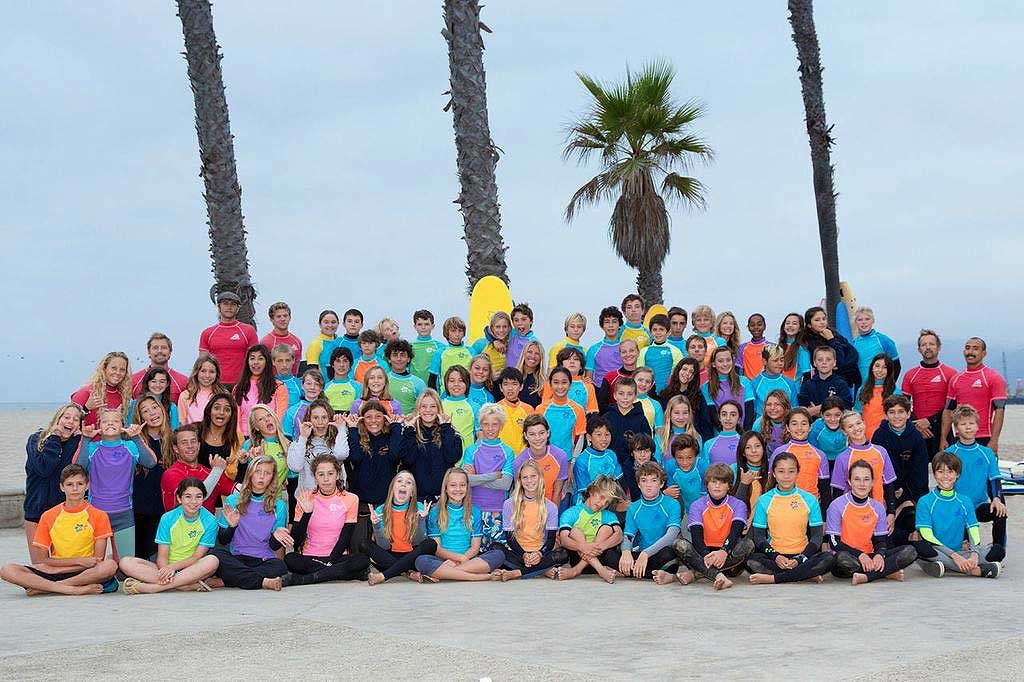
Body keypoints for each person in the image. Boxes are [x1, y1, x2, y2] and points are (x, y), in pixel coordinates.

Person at [1, 464, 118, 596]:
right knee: (7, 569)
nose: (75, 489)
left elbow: (97, 559)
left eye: (79, 484)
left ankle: (49, 588)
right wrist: (77, 561)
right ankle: (71, 589)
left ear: (87, 486)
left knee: (109, 566)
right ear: (62, 487)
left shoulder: (99, 515)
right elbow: (42, 560)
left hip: (85, 572)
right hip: (56, 569)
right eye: (69, 484)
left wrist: (80, 565)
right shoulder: (48, 516)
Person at [74, 409, 158, 559]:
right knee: (94, 562)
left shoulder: (130, 446)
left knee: (126, 564)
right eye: (105, 421)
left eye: (115, 421)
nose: (110, 423)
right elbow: (78, 467)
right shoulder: (93, 448)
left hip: (124, 514)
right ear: (99, 426)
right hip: (96, 514)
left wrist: (137, 437)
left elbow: (150, 462)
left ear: (122, 426)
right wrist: (85, 439)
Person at [119, 477, 220, 594]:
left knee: (212, 561)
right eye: (188, 496)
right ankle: (183, 585)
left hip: (192, 568)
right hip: (165, 567)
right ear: (179, 498)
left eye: (198, 497)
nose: (193, 501)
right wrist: (166, 569)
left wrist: (173, 568)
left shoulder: (210, 520)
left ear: (203, 498)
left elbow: (197, 556)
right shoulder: (167, 518)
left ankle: (152, 588)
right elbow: (162, 556)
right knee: (125, 562)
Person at [279, 455, 369, 586]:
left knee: (362, 560)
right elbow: (295, 541)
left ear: (338, 475)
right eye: (321, 474)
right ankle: (341, 574)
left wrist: (330, 561)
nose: (326, 479)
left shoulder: (350, 499)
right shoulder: (305, 497)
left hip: (337, 556)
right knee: (290, 559)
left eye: (330, 473)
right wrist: (307, 513)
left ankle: (306, 579)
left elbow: (346, 537)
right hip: (311, 557)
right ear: (315, 477)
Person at [746, 453, 834, 584]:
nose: (786, 476)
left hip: (802, 556)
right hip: (775, 557)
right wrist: (775, 556)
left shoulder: (810, 499)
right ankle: (805, 574)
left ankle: (774, 578)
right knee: (750, 561)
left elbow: (817, 537)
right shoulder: (764, 500)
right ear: (774, 474)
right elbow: (759, 537)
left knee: (828, 558)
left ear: (798, 473)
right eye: (781, 471)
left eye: (791, 471)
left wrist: (800, 558)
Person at [912, 452, 1003, 578]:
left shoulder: (965, 501)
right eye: (940, 471)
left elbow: (973, 529)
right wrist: (955, 557)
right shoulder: (925, 501)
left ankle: (947, 567)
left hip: (960, 552)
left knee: (998, 550)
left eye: (950, 471)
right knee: (919, 547)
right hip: (938, 550)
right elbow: (927, 535)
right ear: (934, 474)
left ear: (957, 474)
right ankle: (973, 570)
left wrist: (974, 554)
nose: (945, 476)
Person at [826, 461, 917, 584]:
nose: (862, 484)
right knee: (842, 559)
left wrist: (879, 554)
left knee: (910, 551)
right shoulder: (836, 505)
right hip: (848, 557)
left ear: (873, 482)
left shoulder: (878, 507)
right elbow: (834, 543)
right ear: (849, 481)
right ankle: (886, 572)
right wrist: (860, 555)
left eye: (866, 479)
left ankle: (867, 575)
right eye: (857, 479)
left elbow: (880, 540)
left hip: (870, 555)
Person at [211, 455, 290, 590]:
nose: (261, 477)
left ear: (272, 477)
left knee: (280, 567)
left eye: (267, 473)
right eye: (258, 471)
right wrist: (231, 527)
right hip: (237, 558)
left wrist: (276, 536)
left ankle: (228, 581)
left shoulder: (279, 505)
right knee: (215, 556)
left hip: (263, 561)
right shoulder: (232, 500)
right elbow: (223, 541)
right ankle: (262, 582)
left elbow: (274, 546)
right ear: (250, 473)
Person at [414, 468, 505, 582]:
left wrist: (462, 559)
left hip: (470, 560)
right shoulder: (435, 512)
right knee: (421, 561)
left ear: (467, 488)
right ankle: (477, 576)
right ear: (446, 488)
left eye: (462, 485)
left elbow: (475, 548)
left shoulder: (474, 511)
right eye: (453, 485)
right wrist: (459, 558)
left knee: (498, 555)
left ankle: (445, 573)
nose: (458, 489)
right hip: (443, 561)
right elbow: (437, 549)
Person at [675, 463, 753, 590]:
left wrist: (723, 551)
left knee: (748, 544)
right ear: (706, 485)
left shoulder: (738, 505)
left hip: (727, 554)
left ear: (729, 486)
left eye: (722, 482)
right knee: (679, 544)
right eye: (713, 482)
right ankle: (718, 575)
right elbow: (697, 538)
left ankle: (697, 573)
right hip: (703, 554)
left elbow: (735, 533)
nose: (717, 486)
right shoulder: (697, 505)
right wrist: (706, 555)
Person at [943, 405, 1007, 548]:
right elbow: (943, 482)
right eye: (963, 424)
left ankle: (998, 549)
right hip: (957, 507)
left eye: (971, 423)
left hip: (979, 506)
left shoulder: (987, 453)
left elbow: (995, 479)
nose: (968, 427)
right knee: (964, 548)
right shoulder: (950, 453)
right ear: (956, 429)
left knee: (1000, 511)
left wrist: (996, 498)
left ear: (977, 426)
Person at [23, 404, 83, 553]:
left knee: (63, 562)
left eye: (76, 419)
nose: (70, 421)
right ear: (58, 418)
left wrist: (76, 441)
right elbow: (44, 469)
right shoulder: (36, 439)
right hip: (36, 510)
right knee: (40, 565)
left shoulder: (75, 444)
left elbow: (68, 472)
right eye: (66, 417)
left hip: (63, 514)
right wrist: (55, 438)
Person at [870, 395, 929, 545]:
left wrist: (918, 499)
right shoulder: (879, 435)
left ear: (909, 414)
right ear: (886, 414)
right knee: (883, 529)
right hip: (884, 491)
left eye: (901, 412)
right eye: (892, 412)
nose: (897, 416)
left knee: (913, 521)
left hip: (908, 491)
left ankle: (909, 539)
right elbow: (876, 468)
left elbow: (920, 472)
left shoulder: (916, 437)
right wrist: (890, 490)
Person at [494, 460, 562, 580]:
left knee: (563, 554)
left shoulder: (550, 506)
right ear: (520, 481)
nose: (529, 481)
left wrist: (539, 554)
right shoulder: (509, 504)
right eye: (525, 477)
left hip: (539, 553)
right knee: (495, 548)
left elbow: (550, 540)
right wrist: (524, 554)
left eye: (533, 476)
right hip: (518, 553)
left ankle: (516, 573)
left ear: (540, 477)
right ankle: (542, 570)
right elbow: (510, 538)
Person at [367, 471, 437, 584]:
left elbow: (417, 542)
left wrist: (421, 520)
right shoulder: (381, 510)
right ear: (392, 488)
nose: (403, 484)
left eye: (408, 482)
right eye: (399, 481)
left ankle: (385, 575)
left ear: (412, 492)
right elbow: (383, 546)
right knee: (364, 544)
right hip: (389, 556)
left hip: (413, 556)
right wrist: (376, 525)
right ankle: (407, 572)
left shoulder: (419, 508)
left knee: (431, 543)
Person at [939, 337, 1007, 454]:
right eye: (967, 348)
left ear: (984, 353)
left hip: (984, 437)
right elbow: (948, 410)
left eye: (975, 349)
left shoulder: (993, 378)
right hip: (959, 437)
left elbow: (999, 411)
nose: (970, 352)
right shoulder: (955, 379)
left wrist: (994, 440)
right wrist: (943, 438)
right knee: (959, 472)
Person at [461, 404, 515, 547]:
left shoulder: (508, 452)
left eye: (494, 424)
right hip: (473, 510)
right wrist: (494, 475)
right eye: (486, 424)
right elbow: (465, 481)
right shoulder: (471, 450)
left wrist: (477, 477)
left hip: (497, 510)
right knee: (474, 552)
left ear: (501, 426)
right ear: (480, 425)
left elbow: (505, 484)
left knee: (496, 552)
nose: (490, 429)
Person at [617, 461, 681, 583]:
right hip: (641, 554)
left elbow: (672, 535)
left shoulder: (672, 504)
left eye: (653, 480)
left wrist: (646, 554)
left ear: (662, 484)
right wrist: (626, 552)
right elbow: (628, 535)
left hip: (660, 555)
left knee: (669, 554)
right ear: (639, 485)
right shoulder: (633, 508)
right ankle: (653, 574)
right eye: (644, 480)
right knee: (611, 556)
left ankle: (635, 571)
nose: (648, 485)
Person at [555, 476, 624, 583]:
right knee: (575, 531)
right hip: (578, 556)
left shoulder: (608, 515)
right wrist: (582, 546)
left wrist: (598, 548)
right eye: (601, 497)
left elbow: (619, 535)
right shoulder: (571, 513)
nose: (602, 504)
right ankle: (601, 570)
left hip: (601, 555)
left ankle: (576, 571)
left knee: (607, 529)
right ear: (591, 491)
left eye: (607, 502)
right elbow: (563, 539)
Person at [900, 329, 956, 458]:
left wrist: (930, 421)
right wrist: (917, 423)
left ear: (939, 347)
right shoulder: (910, 375)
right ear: (919, 349)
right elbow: (903, 405)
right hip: (917, 429)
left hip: (942, 429)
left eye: (931, 344)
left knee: (946, 472)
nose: (928, 347)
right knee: (917, 474)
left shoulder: (950, 374)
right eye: (924, 345)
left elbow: (954, 405)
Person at [399, 389, 463, 501]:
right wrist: (409, 432)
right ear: (418, 409)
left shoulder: (449, 431)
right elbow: (408, 460)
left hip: (442, 498)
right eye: (423, 406)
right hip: (416, 498)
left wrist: (445, 428)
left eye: (433, 406)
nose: (428, 410)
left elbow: (452, 457)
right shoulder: (409, 431)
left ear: (439, 409)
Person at [831, 412, 897, 516]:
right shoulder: (842, 458)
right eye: (850, 426)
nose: (856, 428)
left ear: (864, 423)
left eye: (858, 423)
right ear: (844, 431)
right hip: (852, 514)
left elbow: (888, 484)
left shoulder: (881, 452)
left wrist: (891, 513)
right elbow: (838, 491)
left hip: (878, 512)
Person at [130, 396, 171, 559]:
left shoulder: (172, 440)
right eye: (145, 411)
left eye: (154, 407)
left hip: (163, 510)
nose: (152, 413)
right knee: (136, 556)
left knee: (156, 557)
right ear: (140, 418)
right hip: (137, 509)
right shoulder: (133, 442)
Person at [344, 401, 405, 508]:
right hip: (361, 499)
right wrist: (353, 428)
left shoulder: (391, 436)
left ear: (385, 418)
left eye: (378, 416)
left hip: (386, 499)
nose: (373, 421)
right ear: (362, 419)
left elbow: (395, 456)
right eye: (368, 417)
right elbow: (355, 458)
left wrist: (395, 426)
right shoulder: (356, 436)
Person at [161, 424, 233, 514]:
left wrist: (243, 463)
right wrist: (217, 471)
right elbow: (194, 498)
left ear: (198, 445)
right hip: (179, 527)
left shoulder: (209, 472)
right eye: (184, 442)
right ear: (176, 449)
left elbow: (239, 491)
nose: (190, 446)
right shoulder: (171, 474)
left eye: (193, 441)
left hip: (209, 527)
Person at [603, 377, 653, 499]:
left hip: (633, 465)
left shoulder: (640, 419)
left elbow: (647, 443)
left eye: (629, 394)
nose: (625, 397)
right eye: (621, 393)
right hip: (612, 464)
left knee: (634, 497)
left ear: (635, 396)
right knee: (614, 498)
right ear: (614, 395)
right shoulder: (607, 417)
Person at [286, 399, 348, 493]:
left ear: (330, 419)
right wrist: (303, 438)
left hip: (333, 497)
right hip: (307, 498)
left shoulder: (337, 439)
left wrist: (341, 429)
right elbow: (295, 467)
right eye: (315, 418)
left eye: (324, 417)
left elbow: (341, 454)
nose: (320, 422)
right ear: (309, 419)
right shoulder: (299, 442)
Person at [769, 408, 830, 503]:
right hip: (783, 504)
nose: (799, 428)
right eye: (794, 424)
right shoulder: (779, 452)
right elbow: (770, 483)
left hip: (810, 506)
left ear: (810, 427)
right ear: (788, 428)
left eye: (804, 423)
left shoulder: (820, 455)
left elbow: (824, 490)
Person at [198, 291, 259, 387]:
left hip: (242, 384)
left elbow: (256, 359)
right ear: (219, 307)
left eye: (233, 304)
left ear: (238, 308)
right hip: (215, 384)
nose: (229, 307)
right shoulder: (207, 333)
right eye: (225, 303)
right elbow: (202, 363)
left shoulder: (248, 330)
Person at [789, 306, 860, 388]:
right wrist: (831, 340)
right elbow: (838, 360)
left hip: (845, 379)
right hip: (823, 382)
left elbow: (853, 354)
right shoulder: (807, 341)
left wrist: (841, 366)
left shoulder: (833, 333)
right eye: (817, 320)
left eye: (824, 319)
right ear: (809, 325)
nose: (822, 322)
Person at [233, 344, 289, 438]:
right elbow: (236, 418)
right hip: (244, 438)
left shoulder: (279, 386)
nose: (256, 362)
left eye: (260, 358)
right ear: (247, 362)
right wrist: (241, 439)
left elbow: (279, 418)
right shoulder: (238, 388)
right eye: (252, 358)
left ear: (267, 361)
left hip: (269, 437)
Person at [512, 415, 569, 505]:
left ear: (548, 433)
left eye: (541, 433)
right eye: (532, 434)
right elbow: (520, 492)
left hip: (555, 503)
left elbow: (557, 492)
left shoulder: (560, 456)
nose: (537, 438)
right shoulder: (519, 462)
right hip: (530, 506)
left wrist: (552, 516)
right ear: (525, 436)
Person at [241, 405, 292, 501]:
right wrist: (249, 461)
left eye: (269, 415)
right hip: (251, 500)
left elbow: (292, 477)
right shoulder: (250, 445)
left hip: (277, 502)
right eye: (261, 419)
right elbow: (243, 477)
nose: (267, 420)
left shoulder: (288, 444)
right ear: (256, 427)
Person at [536, 367, 587, 463]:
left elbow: (580, 438)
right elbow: (536, 437)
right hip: (543, 459)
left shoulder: (578, 409)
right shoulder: (541, 409)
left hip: (567, 460)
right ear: (550, 384)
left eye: (564, 382)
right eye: (556, 382)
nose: (560, 387)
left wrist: (573, 461)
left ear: (570, 385)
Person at [71, 351, 131, 429]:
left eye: (122, 370)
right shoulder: (87, 392)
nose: (118, 372)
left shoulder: (123, 396)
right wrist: (86, 409)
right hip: (87, 440)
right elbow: (68, 423)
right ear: (104, 368)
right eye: (113, 368)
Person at [572, 415, 623, 505]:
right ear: (589, 437)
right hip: (587, 503)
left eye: (607, 434)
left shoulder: (611, 455)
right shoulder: (582, 460)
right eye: (599, 434)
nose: (604, 439)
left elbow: (619, 481)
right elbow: (585, 492)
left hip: (609, 500)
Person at [701, 347, 755, 430]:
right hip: (720, 433)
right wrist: (726, 433)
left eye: (728, 360)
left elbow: (749, 412)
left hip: (743, 433)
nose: (725, 364)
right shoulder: (706, 387)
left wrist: (745, 434)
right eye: (720, 361)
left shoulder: (744, 382)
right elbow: (713, 415)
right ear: (713, 364)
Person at [660, 358, 715, 440]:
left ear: (694, 376)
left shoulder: (698, 397)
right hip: (669, 439)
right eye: (684, 369)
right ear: (678, 370)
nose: (687, 373)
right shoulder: (665, 394)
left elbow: (705, 423)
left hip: (693, 440)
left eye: (691, 372)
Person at [851, 307, 901, 390]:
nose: (864, 322)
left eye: (867, 319)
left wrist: (888, 386)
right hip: (862, 390)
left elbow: (897, 366)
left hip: (881, 389)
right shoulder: (854, 343)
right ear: (855, 322)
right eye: (860, 320)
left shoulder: (883, 340)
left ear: (873, 321)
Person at [130, 333, 189, 402]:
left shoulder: (183, 382)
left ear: (170, 352)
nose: (159, 351)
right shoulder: (133, 380)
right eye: (155, 348)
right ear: (149, 352)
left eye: (164, 347)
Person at [797, 346, 853, 415]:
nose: (824, 362)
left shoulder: (841, 384)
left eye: (828, 359)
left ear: (834, 363)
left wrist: (815, 410)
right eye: (820, 360)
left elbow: (846, 409)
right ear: (814, 363)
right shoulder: (807, 385)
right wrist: (830, 406)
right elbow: (802, 412)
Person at [541, 347, 597, 414]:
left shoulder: (588, 386)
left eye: (576, 359)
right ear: (561, 365)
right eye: (568, 359)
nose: (572, 361)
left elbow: (592, 413)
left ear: (581, 366)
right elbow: (544, 409)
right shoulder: (550, 384)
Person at [855, 353, 900, 438]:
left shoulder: (895, 391)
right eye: (877, 366)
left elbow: (899, 418)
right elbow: (857, 415)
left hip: (888, 438)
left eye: (884, 367)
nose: (880, 370)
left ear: (889, 370)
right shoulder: (862, 390)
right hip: (866, 439)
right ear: (872, 368)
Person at [177, 353, 229, 426]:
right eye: (203, 371)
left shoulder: (224, 394)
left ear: (217, 374)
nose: (207, 376)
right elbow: (182, 423)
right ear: (196, 372)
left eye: (211, 372)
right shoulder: (186, 395)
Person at [638, 313, 684, 393]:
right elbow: (639, 374)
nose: (658, 332)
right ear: (650, 332)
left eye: (661, 329)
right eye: (655, 329)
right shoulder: (644, 351)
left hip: (669, 393)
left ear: (668, 332)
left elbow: (678, 375)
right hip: (648, 393)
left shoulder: (675, 351)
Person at [750, 343, 798, 418]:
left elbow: (794, 411)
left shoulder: (790, 383)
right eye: (775, 360)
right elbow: (752, 411)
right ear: (764, 361)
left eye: (782, 360)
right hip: (761, 427)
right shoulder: (754, 384)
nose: (780, 363)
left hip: (784, 427)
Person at [732, 431, 770, 528]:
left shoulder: (772, 469)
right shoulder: (734, 469)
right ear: (743, 453)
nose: (754, 450)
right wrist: (743, 484)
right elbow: (732, 506)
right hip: (739, 527)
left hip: (765, 527)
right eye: (748, 447)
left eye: (757, 446)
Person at [196, 393, 240, 473]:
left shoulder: (237, 438)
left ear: (231, 415)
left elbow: (237, 473)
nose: (221, 412)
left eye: (227, 409)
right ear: (209, 411)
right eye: (217, 408)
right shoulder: (196, 430)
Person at [494, 367, 533, 454]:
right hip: (501, 457)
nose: (510, 388)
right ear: (500, 387)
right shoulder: (495, 409)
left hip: (522, 458)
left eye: (514, 384)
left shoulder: (528, 409)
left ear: (521, 387)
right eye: (506, 384)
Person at [427, 316, 473, 391]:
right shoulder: (440, 353)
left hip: (466, 396)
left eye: (460, 331)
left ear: (464, 333)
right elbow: (432, 380)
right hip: (445, 397)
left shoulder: (471, 351)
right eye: (453, 331)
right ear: (447, 332)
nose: (457, 334)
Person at [441, 365, 478, 454]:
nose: (456, 384)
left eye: (461, 381)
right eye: (452, 381)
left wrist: (470, 459)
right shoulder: (439, 405)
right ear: (446, 383)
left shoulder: (474, 406)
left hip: (465, 462)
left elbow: (480, 436)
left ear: (467, 383)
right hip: (443, 460)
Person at [664, 434, 705, 515]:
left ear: (696, 456)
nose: (685, 462)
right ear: (674, 457)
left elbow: (706, 493)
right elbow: (672, 492)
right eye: (680, 458)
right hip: (682, 509)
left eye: (689, 458)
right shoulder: (670, 466)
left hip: (701, 508)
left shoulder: (702, 466)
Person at [596, 339, 640, 413]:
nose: (628, 354)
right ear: (619, 355)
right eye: (624, 352)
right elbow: (601, 405)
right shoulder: (610, 377)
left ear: (638, 352)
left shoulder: (645, 377)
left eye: (631, 350)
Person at [384, 339, 427, 415]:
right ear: (389, 359)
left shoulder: (419, 383)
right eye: (395, 355)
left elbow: (424, 408)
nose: (399, 359)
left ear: (409, 359)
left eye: (402, 355)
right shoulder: (383, 380)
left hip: (410, 425)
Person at [585, 306, 623, 388]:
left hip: (623, 392)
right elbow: (588, 379)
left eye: (614, 322)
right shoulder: (593, 350)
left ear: (619, 325)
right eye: (607, 322)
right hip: (600, 391)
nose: (611, 325)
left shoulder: (626, 348)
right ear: (602, 326)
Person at [260, 302, 302, 376]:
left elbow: (296, 367)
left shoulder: (297, 341)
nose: (283, 319)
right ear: (272, 320)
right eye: (279, 316)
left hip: (292, 385)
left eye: (285, 316)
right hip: (272, 385)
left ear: (289, 318)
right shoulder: (265, 342)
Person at [659, 395, 703, 465]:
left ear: (689, 414)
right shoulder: (660, 435)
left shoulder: (696, 437)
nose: (681, 417)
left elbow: (698, 465)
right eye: (676, 413)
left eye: (685, 413)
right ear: (669, 414)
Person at [701, 401, 743, 468]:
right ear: (719, 418)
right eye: (724, 414)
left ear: (739, 419)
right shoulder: (708, 444)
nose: (728, 418)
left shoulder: (744, 442)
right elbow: (705, 472)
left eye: (733, 415)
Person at [470, 311, 511, 377]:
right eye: (497, 327)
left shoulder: (512, 344)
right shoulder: (484, 347)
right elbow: (473, 370)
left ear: (509, 328)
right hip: (490, 384)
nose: (501, 330)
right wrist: (489, 376)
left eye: (505, 326)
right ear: (492, 328)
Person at [808, 397, 848, 465]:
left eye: (837, 415)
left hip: (844, 459)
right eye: (828, 415)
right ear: (822, 415)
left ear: (843, 413)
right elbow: (812, 448)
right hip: (822, 460)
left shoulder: (848, 425)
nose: (832, 419)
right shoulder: (816, 428)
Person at [305, 309, 343, 379]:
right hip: (323, 387)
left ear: (338, 323)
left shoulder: (339, 342)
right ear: (320, 324)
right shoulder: (315, 344)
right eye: (326, 322)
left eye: (333, 322)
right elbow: (312, 374)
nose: (330, 325)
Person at [410, 309, 444, 384]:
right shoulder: (410, 347)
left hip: (434, 388)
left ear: (433, 326)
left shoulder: (440, 347)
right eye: (419, 324)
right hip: (414, 388)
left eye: (426, 324)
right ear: (415, 326)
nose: (423, 327)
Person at [752, 389, 790, 455]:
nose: (772, 408)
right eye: (769, 404)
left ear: (786, 406)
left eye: (777, 404)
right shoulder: (759, 424)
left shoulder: (793, 422)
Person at [515, 339, 547, 408]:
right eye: (530, 352)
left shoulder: (543, 383)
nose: (533, 356)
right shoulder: (513, 377)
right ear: (524, 354)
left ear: (541, 358)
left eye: (537, 353)